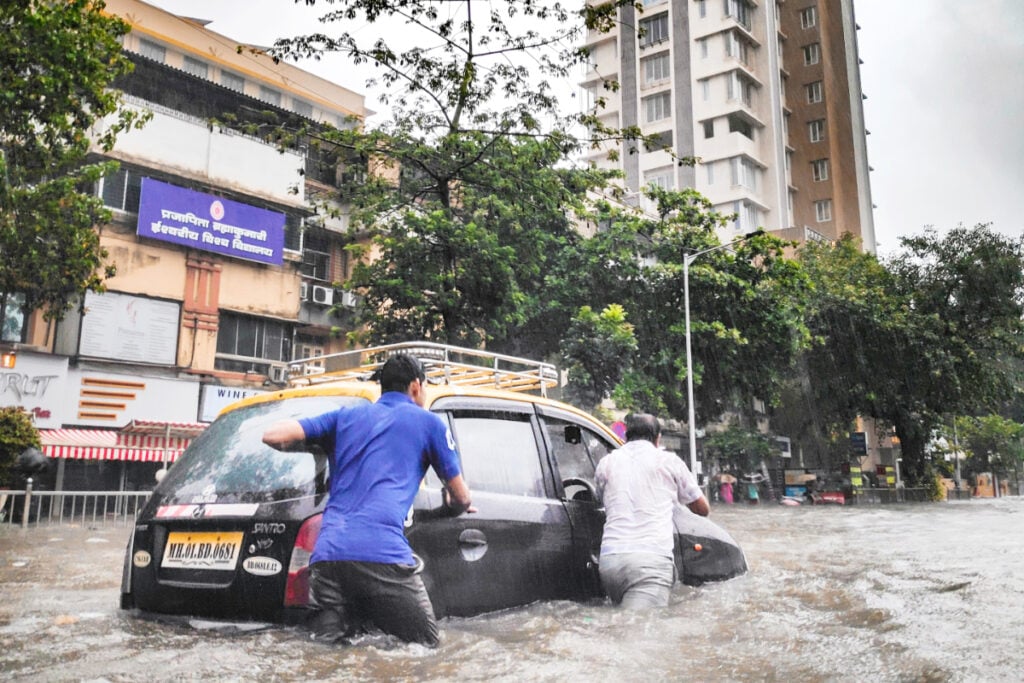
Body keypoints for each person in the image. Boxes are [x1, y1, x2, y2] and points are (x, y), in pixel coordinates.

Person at [261, 354, 473, 646]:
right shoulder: (429, 424)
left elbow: (272, 435)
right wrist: (453, 503)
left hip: (328, 558)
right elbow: (462, 497)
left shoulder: (344, 417)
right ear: (415, 386)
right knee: (426, 649)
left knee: (328, 653)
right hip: (383, 555)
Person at [595, 413, 709, 609]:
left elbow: (600, 499)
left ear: (626, 437)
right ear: (658, 439)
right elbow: (702, 509)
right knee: (639, 632)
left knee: (621, 625)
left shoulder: (607, 463)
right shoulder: (668, 461)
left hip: (610, 562)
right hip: (649, 564)